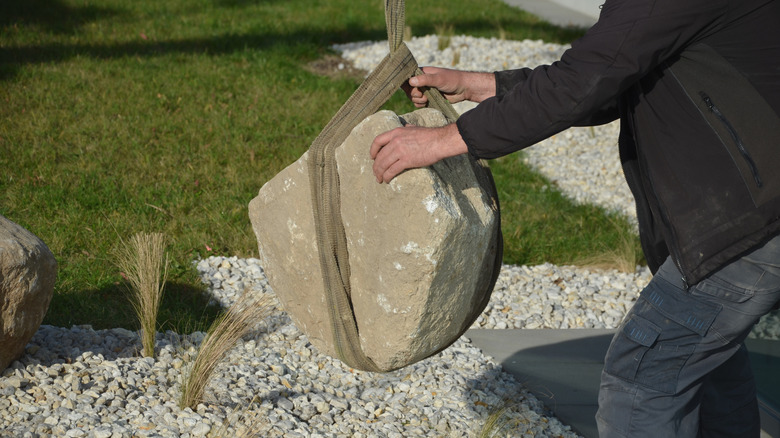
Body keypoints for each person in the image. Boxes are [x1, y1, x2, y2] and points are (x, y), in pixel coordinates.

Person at [370, 0, 780, 436]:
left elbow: (584, 82)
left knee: (643, 375)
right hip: (751, 215)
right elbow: (615, 78)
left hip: (749, 227)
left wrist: (443, 140)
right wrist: (482, 85)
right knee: (705, 370)